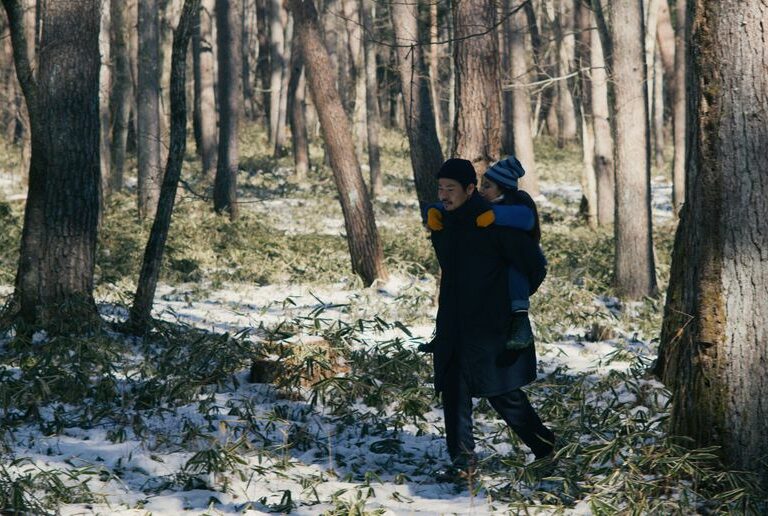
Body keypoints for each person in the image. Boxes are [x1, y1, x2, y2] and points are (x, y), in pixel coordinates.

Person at [427, 158, 555, 481]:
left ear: (470, 189)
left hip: (491, 328)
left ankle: (546, 447)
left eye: (451, 189)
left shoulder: (493, 223)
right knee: (454, 392)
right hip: (454, 324)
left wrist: (508, 303)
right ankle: (463, 465)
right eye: (440, 188)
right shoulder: (443, 223)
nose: (443, 195)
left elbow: (535, 265)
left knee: (503, 395)